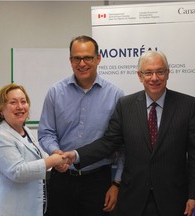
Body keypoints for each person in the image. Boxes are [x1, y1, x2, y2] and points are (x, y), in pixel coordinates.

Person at [64, 50, 195, 216]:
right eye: (148, 72)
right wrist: (76, 155)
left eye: (160, 71)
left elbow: (193, 155)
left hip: (174, 199)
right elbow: (109, 143)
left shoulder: (188, 105)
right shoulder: (125, 105)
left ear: (168, 73)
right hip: (133, 199)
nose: (154, 78)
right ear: (140, 76)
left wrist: (193, 195)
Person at [38, 35, 124, 216]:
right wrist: (56, 152)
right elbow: (46, 132)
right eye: (76, 58)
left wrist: (116, 184)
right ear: (70, 60)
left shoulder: (115, 95)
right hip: (62, 178)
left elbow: (121, 143)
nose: (82, 63)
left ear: (98, 59)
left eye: (88, 58)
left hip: (98, 181)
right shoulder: (55, 92)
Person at [0, 84, 68, 216]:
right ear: (1, 109)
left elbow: (37, 160)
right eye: (13, 102)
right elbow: (18, 171)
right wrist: (52, 161)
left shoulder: (26, 131)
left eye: (23, 102)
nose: (20, 106)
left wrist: (56, 164)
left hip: (28, 209)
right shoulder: (0, 137)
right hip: (8, 210)